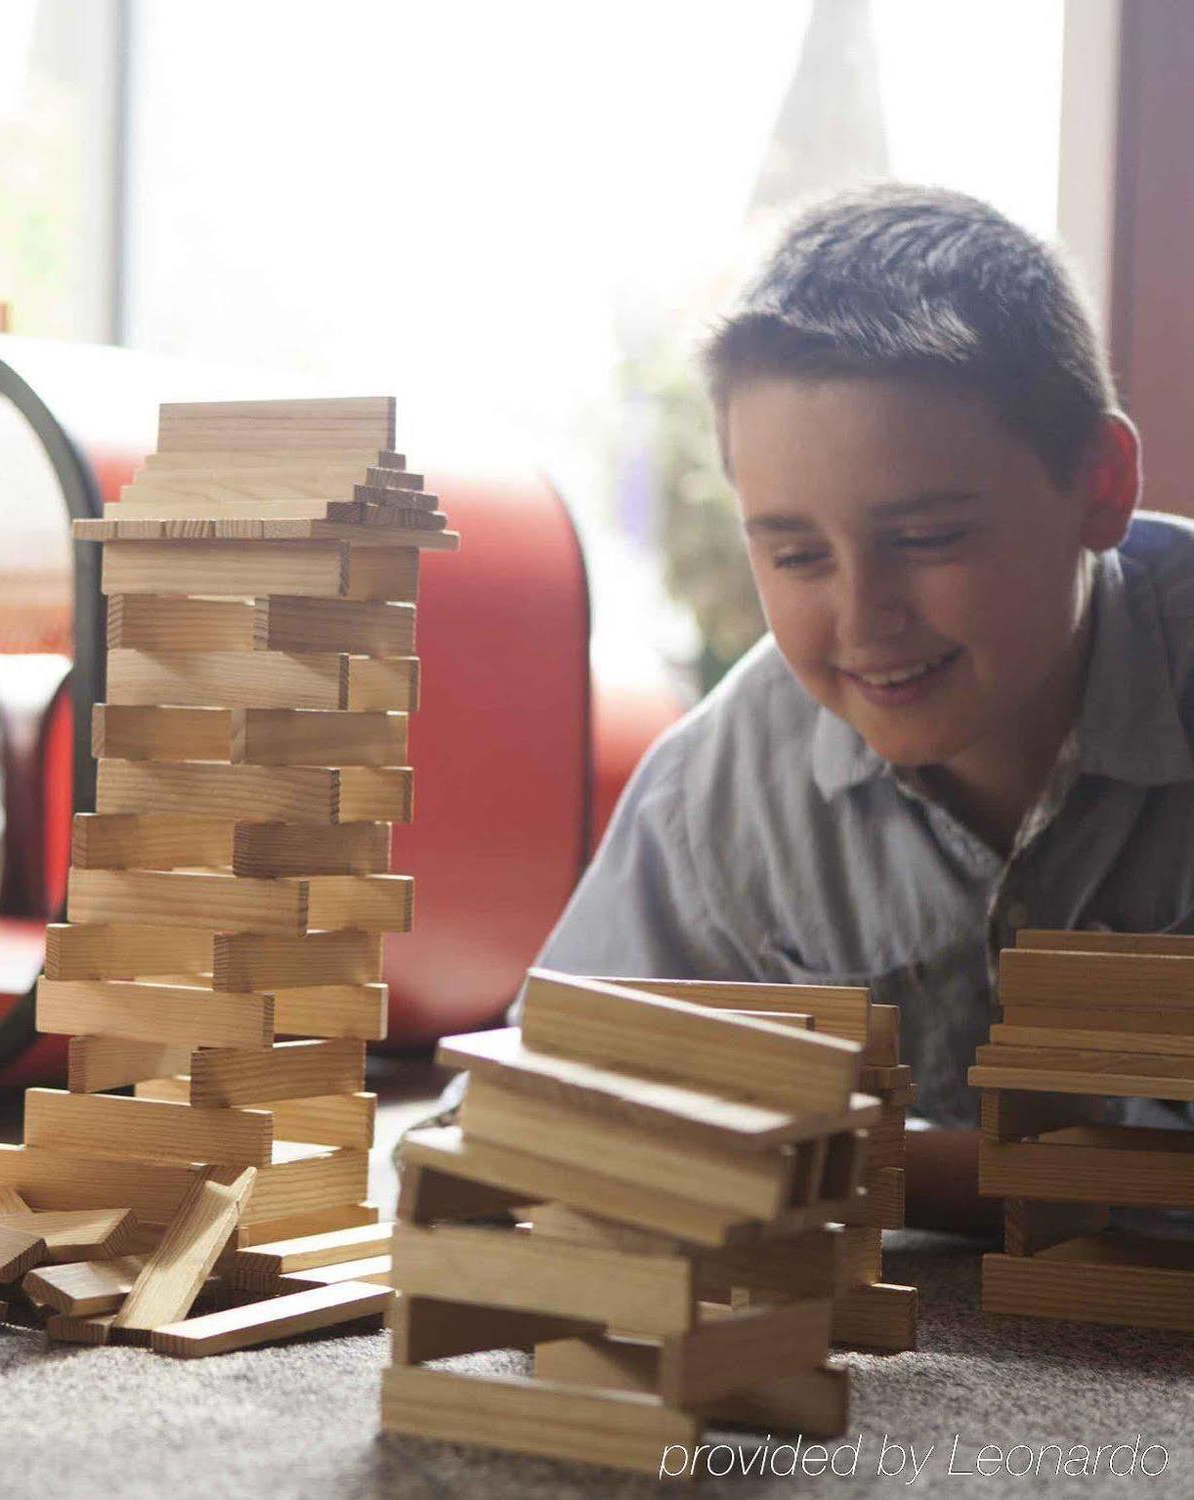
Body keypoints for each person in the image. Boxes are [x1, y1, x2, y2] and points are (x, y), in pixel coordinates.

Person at [483, 184, 1180, 1231]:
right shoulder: (719, 789)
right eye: (796, 554)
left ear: (1098, 485)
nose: (863, 617)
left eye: (926, 539)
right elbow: (507, 1130)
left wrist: (849, 1160)